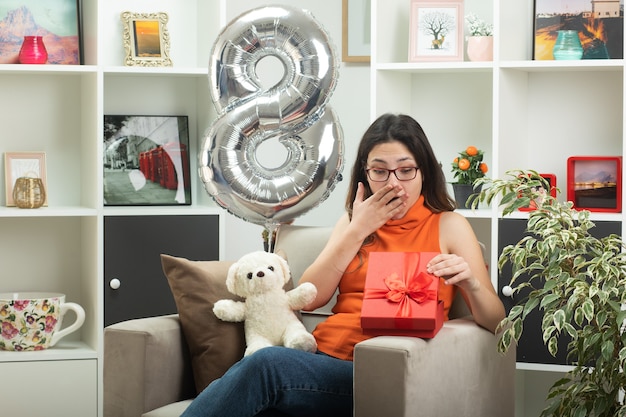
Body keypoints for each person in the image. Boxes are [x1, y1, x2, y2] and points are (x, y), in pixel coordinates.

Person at [181, 113, 506, 417]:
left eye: (406, 170)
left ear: (424, 172)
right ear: (365, 174)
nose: (394, 183)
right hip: (320, 358)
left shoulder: (448, 225)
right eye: (380, 171)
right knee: (254, 379)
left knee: (266, 364)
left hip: (375, 371)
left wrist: (471, 284)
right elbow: (312, 296)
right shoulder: (352, 222)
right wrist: (357, 230)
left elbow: (497, 322)